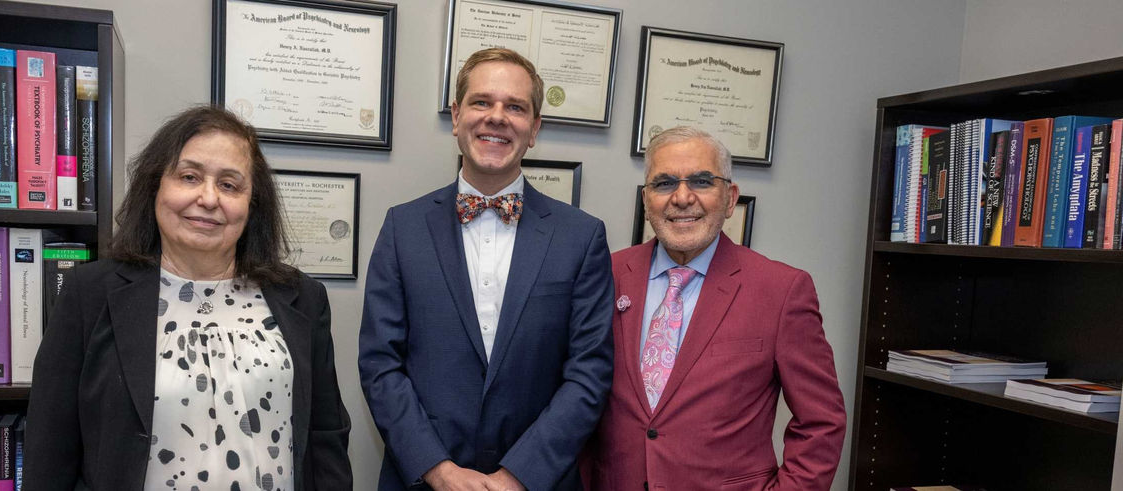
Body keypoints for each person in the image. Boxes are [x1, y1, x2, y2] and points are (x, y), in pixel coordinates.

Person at [25, 106, 352, 490]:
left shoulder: (302, 299)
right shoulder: (90, 294)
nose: (208, 198)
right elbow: (50, 450)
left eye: (230, 185)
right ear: (156, 186)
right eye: (189, 176)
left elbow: (325, 439)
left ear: (252, 206)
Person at [358, 48, 613, 491]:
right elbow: (380, 364)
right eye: (482, 102)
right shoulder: (403, 228)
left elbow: (588, 373)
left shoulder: (581, 237)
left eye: (515, 107)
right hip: (421, 480)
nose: (497, 117)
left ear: (534, 129)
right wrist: (440, 471)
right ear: (456, 117)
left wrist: (518, 476)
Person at [579, 126, 846, 490]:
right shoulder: (605, 275)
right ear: (646, 199)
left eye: (702, 182)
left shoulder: (782, 291)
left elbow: (822, 423)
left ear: (731, 198)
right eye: (664, 183)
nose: (682, 197)